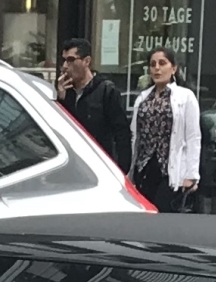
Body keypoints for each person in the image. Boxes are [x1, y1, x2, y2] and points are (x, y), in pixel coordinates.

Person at [128, 46, 200, 212]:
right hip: (144, 167)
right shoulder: (143, 98)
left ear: (173, 68)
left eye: (162, 63)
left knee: (163, 212)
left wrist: (191, 175)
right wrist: (131, 170)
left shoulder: (185, 97)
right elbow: (135, 136)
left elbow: (193, 138)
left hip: (169, 169)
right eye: (153, 64)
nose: (157, 68)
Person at [56, 38, 130, 170]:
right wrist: (62, 99)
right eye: (64, 60)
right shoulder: (67, 93)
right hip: (75, 166)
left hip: (102, 165)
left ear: (86, 61)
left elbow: (121, 133)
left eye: (71, 60)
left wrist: (122, 169)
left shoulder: (105, 90)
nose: (65, 66)